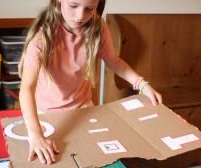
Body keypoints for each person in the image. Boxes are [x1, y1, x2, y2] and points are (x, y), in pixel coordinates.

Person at [18, 0, 162, 165]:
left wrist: (141, 84)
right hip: (46, 113)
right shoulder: (41, 36)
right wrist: (35, 135)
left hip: (84, 108)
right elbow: (27, 88)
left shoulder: (98, 27)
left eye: (89, 9)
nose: (80, 16)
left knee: (98, 157)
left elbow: (113, 60)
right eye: (73, 6)